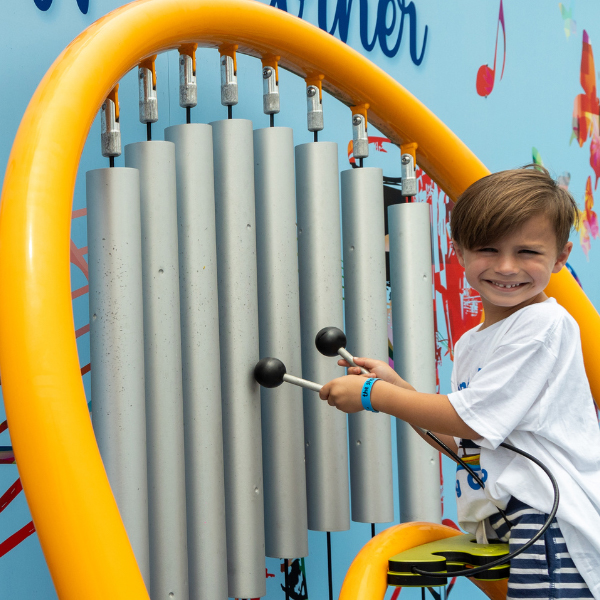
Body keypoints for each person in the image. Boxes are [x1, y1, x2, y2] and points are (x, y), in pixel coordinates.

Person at [319, 165, 600, 599]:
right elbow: (464, 441)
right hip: (510, 520)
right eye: (488, 249)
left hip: (549, 522)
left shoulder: (543, 325)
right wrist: (398, 386)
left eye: (528, 252)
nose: (507, 267)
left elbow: (473, 423)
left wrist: (377, 395)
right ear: (460, 251)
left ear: (561, 257)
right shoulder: (473, 342)